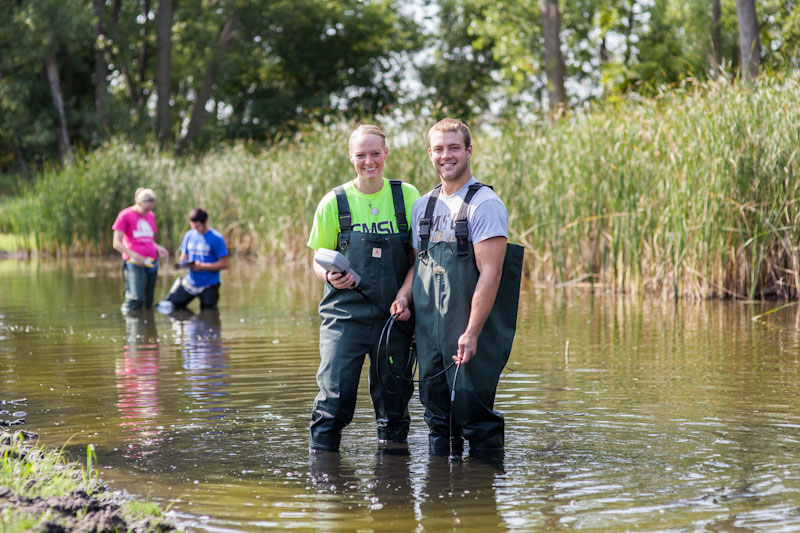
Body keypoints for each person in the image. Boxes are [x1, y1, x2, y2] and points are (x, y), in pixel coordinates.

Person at [394, 118, 521, 459]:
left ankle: (483, 499)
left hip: (469, 330)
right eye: (439, 149)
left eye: (453, 148)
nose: (446, 155)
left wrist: (472, 332)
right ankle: (439, 500)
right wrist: (404, 297)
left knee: (475, 416)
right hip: (429, 333)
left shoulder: (485, 205)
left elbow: (491, 275)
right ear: (430, 154)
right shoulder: (423, 205)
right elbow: (418, 265)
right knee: (437, 419)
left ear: (468, 151)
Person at [307, 124, 420, 453]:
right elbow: (317, 260)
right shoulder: (334, 201)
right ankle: (326, 485)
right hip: (344, 319)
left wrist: (404, 296)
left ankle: (394, 485)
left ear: (386, 153)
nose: (368, 161)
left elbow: (418, 261)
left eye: (375, 153)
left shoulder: (407, 196)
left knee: (394, 407)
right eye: (361, 155)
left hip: (394, 319)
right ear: (350, 158)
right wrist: (329, 277)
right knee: (333, 401)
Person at [112, 188, 169, 313]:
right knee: (135, 299)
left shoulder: (150, 216)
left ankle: (147, 330)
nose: (148, 212)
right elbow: (116, 243)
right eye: (146, 209)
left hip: (151, 262)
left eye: (151, 209)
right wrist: (136, 256)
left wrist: (158, 247)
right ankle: (131, 328)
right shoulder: (125, 215)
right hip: (134, 263)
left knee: (148, 301)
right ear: (138, 203)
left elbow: (149, 239)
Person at [165, 208, 229, 310]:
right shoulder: (189, 235)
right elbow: (183, 257)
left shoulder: (217, 238)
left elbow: (225, 264)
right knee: (171, 306)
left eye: (198, 226)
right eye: (193, 226)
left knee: (209, 315)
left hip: (209, 284)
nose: (196, 229)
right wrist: (184, 263)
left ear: (206, 222)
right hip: (191, 281)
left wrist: (202, 266)